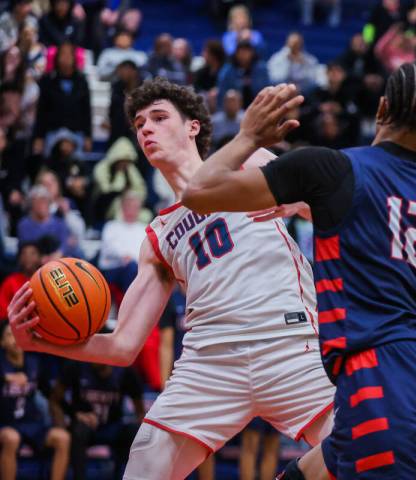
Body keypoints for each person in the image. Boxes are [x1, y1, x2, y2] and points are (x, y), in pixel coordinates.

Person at [181, 58, 416, 479]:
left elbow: (198, 192)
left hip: (380, 379)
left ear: (382, 108)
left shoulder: (331, 169)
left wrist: (248, 135)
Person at [7, 77, 335, 480]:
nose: (146, 128)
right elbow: (122, 345)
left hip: (287, 343)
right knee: (143, 467)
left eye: (159, 118)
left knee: (366, 443)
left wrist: (304, 203)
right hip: (209, 364)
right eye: (140, 123)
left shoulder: (249, 164)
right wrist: (37, 342)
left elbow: (338, 207)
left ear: (192, 126)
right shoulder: (157, 237)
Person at [50, 361, 145, 480]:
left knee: (134, 432)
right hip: (85, 427)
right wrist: (74, 415)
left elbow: (140, 411)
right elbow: (55, 399)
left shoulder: (125, 369)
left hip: (112, 426)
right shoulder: (76, 365)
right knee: (78, 431)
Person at [0, 322, 70, 480]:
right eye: (9, 335)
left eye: (16, 335)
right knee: (11, 438)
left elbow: (50, 393)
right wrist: (5, 378)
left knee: (62, 438)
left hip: (32, 424)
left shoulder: (35, 362)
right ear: (2, 342)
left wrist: (72, 412)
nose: (14, 340)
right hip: (5, 423)